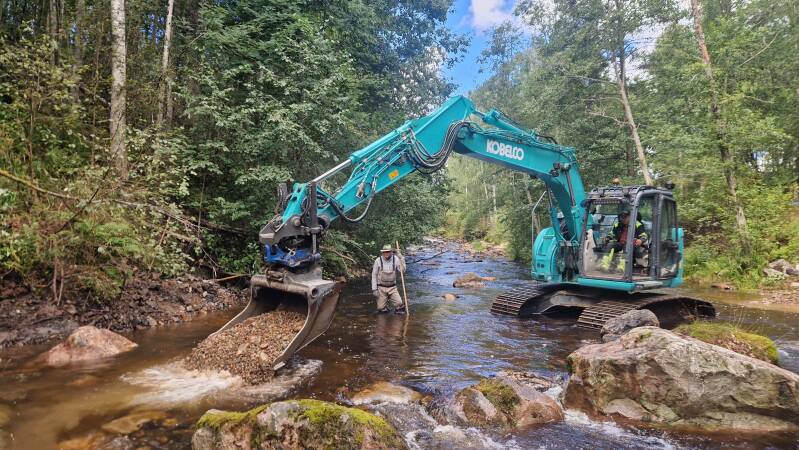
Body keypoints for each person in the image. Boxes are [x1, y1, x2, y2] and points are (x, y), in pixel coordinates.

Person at [371, 244, 406, 313]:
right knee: (380, 309)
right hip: (381, 288)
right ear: (382, 253)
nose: (386, 253)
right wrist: (374, 289)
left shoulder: (396, 259)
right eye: (384, 252)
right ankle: (385, 306)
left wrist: (401, 258)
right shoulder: (378, 260)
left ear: (391, 252)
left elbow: (403, 271)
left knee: (400, 306)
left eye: (388, 252)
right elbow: (374, 275)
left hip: (393, 288)